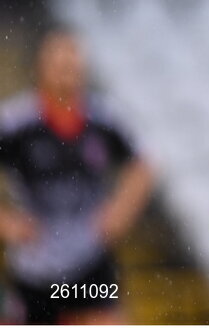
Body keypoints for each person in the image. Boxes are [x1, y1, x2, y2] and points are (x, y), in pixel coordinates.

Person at [0, 27, 154, 324]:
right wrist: (6, 224)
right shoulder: (18, 123)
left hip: (89, 260)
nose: (67, 72)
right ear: (41, 69)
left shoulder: (103, 120)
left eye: (73, 65)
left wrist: (118, 215)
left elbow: (144, 165)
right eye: (59, 65)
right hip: (34, 264)